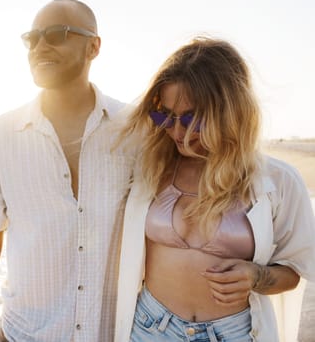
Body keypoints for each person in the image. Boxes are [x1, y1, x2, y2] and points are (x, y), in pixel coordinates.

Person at [0, 0, 135, 342]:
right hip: (25, 334)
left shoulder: (134, 130)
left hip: (113, 334)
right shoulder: (0, 134)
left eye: (56, 34)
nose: (39, 47)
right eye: (32, 38)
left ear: (93, 47)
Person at [114, 37, 315, 342]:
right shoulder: (149, 168)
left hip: (234, 334)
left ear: (229, 112)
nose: (177, 132)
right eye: (164, 115)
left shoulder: (278, 181)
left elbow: (295, 269)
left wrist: (256, 276)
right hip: (149, 328)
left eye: (192, 119)